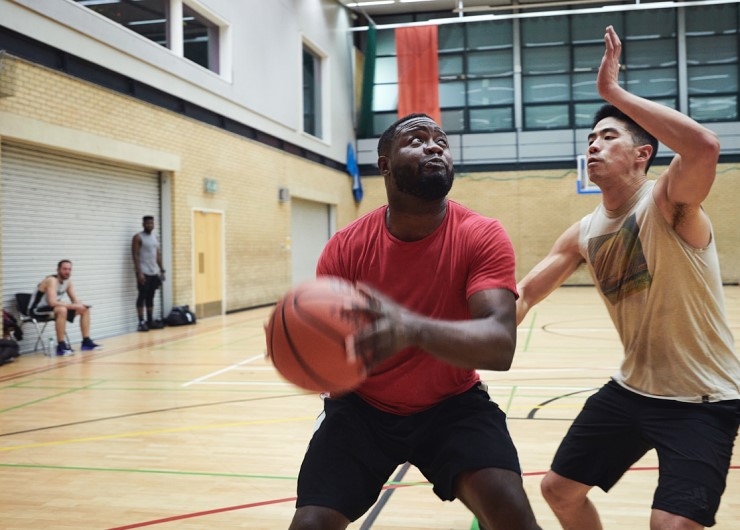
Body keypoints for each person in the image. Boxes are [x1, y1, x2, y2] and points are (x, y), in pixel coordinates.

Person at [516, 26, 740, 530]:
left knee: (670, 525)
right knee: (559, 491)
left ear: (643, 154)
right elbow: (524, 294)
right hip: (633, 390)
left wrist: (612, 94)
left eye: (608, 136)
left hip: (703, 399)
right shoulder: (583, 234)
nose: (593, 145)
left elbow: (704, 146)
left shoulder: (669, 202)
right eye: (590, 138)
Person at [288, 113, 542, 530]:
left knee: (513, 516)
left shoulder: (481, 234)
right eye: (417, 139)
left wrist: (411, 328)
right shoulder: (345, 247)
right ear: (385, 163)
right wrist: (307, 353)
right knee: (310, 525)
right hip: (363, 411)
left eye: (441, 140)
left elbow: (500, 343)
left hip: (453, 406)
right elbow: (332, 347)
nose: (434, 146)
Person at [31, 259, 102, 356]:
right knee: (62, 309)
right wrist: (73, 305)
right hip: (36, 310)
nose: (67, 271)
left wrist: (80, 304)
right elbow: (52, 303)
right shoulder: (51, 280)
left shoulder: (68, 282)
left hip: (52, 309)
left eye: (69, 269)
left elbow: (75, 300)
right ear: (58, 270)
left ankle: (86, 342)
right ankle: (61, 346)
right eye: (64, 269)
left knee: (84, 309)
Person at [131, 215, 165, 332]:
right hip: (143, 272)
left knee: (151, 297)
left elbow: (157, 255)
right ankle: (141, 322)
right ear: (143, 224)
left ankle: (150, 321)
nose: (149, 225)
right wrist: (139, 272)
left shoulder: (154, 237)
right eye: (147, 223)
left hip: (153, 272)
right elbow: (135, 255)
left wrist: (161, 269)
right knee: (142, 296)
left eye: (151, 223)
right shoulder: (138, 237)